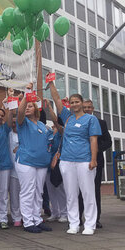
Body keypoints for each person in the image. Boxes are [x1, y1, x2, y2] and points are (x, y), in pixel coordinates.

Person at [49, 79, 102, 235]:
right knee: (71, 194)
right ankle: (74, 224)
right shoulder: (67, 117)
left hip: (84, 161)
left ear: (81, 103)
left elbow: (93, 140)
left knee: (88, 193)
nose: (74, 104)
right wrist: (51, 84)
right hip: (66, 161)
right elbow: (57, 100)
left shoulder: (91, 119)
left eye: (76, 102)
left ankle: (90, 225)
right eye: (71, 102)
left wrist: (93, 159)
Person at [16, 92, 53, 233]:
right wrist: (26, 96)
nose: (27, 108)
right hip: (26, 162)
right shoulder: (23, 122)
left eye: (30, 106)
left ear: (36, 109)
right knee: (27, 192)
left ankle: (37, 219)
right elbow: (19, 111)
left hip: (41, 163)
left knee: (39, 192)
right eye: (26, 106)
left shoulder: (43, 126)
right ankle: (28, 221)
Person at [79, 99, 112, 229]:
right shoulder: (76, 121)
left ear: (93, 109)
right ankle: (78, 218)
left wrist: (95, 149)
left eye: (89, 107)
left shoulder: (100, 123)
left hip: (96, 161)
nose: (87, 109)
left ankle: (95, 219)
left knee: (94, 190)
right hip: (80, 160)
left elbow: (108, 142)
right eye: (84, 107)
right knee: (79, 191)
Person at [44, 100, 67, 223]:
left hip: (58, 165)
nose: (54, 125)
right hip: (48, 166)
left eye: (56, 123)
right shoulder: (48, 132)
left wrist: (49, 108)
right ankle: (55, 212)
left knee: (60, 190)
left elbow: (55, 120)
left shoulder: (62, 132)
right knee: (51, 190)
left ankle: (64, 213)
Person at [8, 117, 22, 227]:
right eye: (13, 123)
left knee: (26, 194)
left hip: (25, 169)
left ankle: (25, 215)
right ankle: (16, 217)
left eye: (16, 122)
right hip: (12, 170)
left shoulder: (25, 134)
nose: (14, 124)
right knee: (14, 195)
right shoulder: (9, 135)